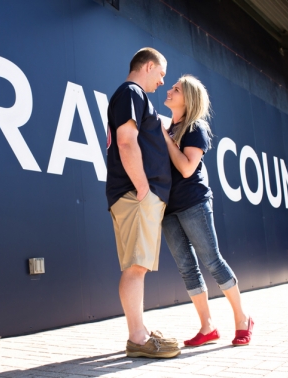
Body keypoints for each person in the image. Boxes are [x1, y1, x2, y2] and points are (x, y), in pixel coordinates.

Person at [161, 75, 254, 347]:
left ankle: (242, 318)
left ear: (188, 99)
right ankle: (208, 326)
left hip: (193, 203)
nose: (169, 90)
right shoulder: (167, 129)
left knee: (212, 261)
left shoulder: (194, 128)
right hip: (168, 209)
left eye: (176, 89)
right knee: (187, 269)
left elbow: (187, 168)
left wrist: (166, 140)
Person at [106, 48, 180, 358]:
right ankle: (137, 338)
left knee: (138, 266)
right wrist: (142, 187)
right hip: (137, 195)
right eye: (161, 75)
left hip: (140, 196)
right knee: (136, 267)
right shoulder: (132, 92)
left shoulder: (132, 95)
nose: (163, 82)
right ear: (148, 67)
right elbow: (125, 140)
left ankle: (141, 331)